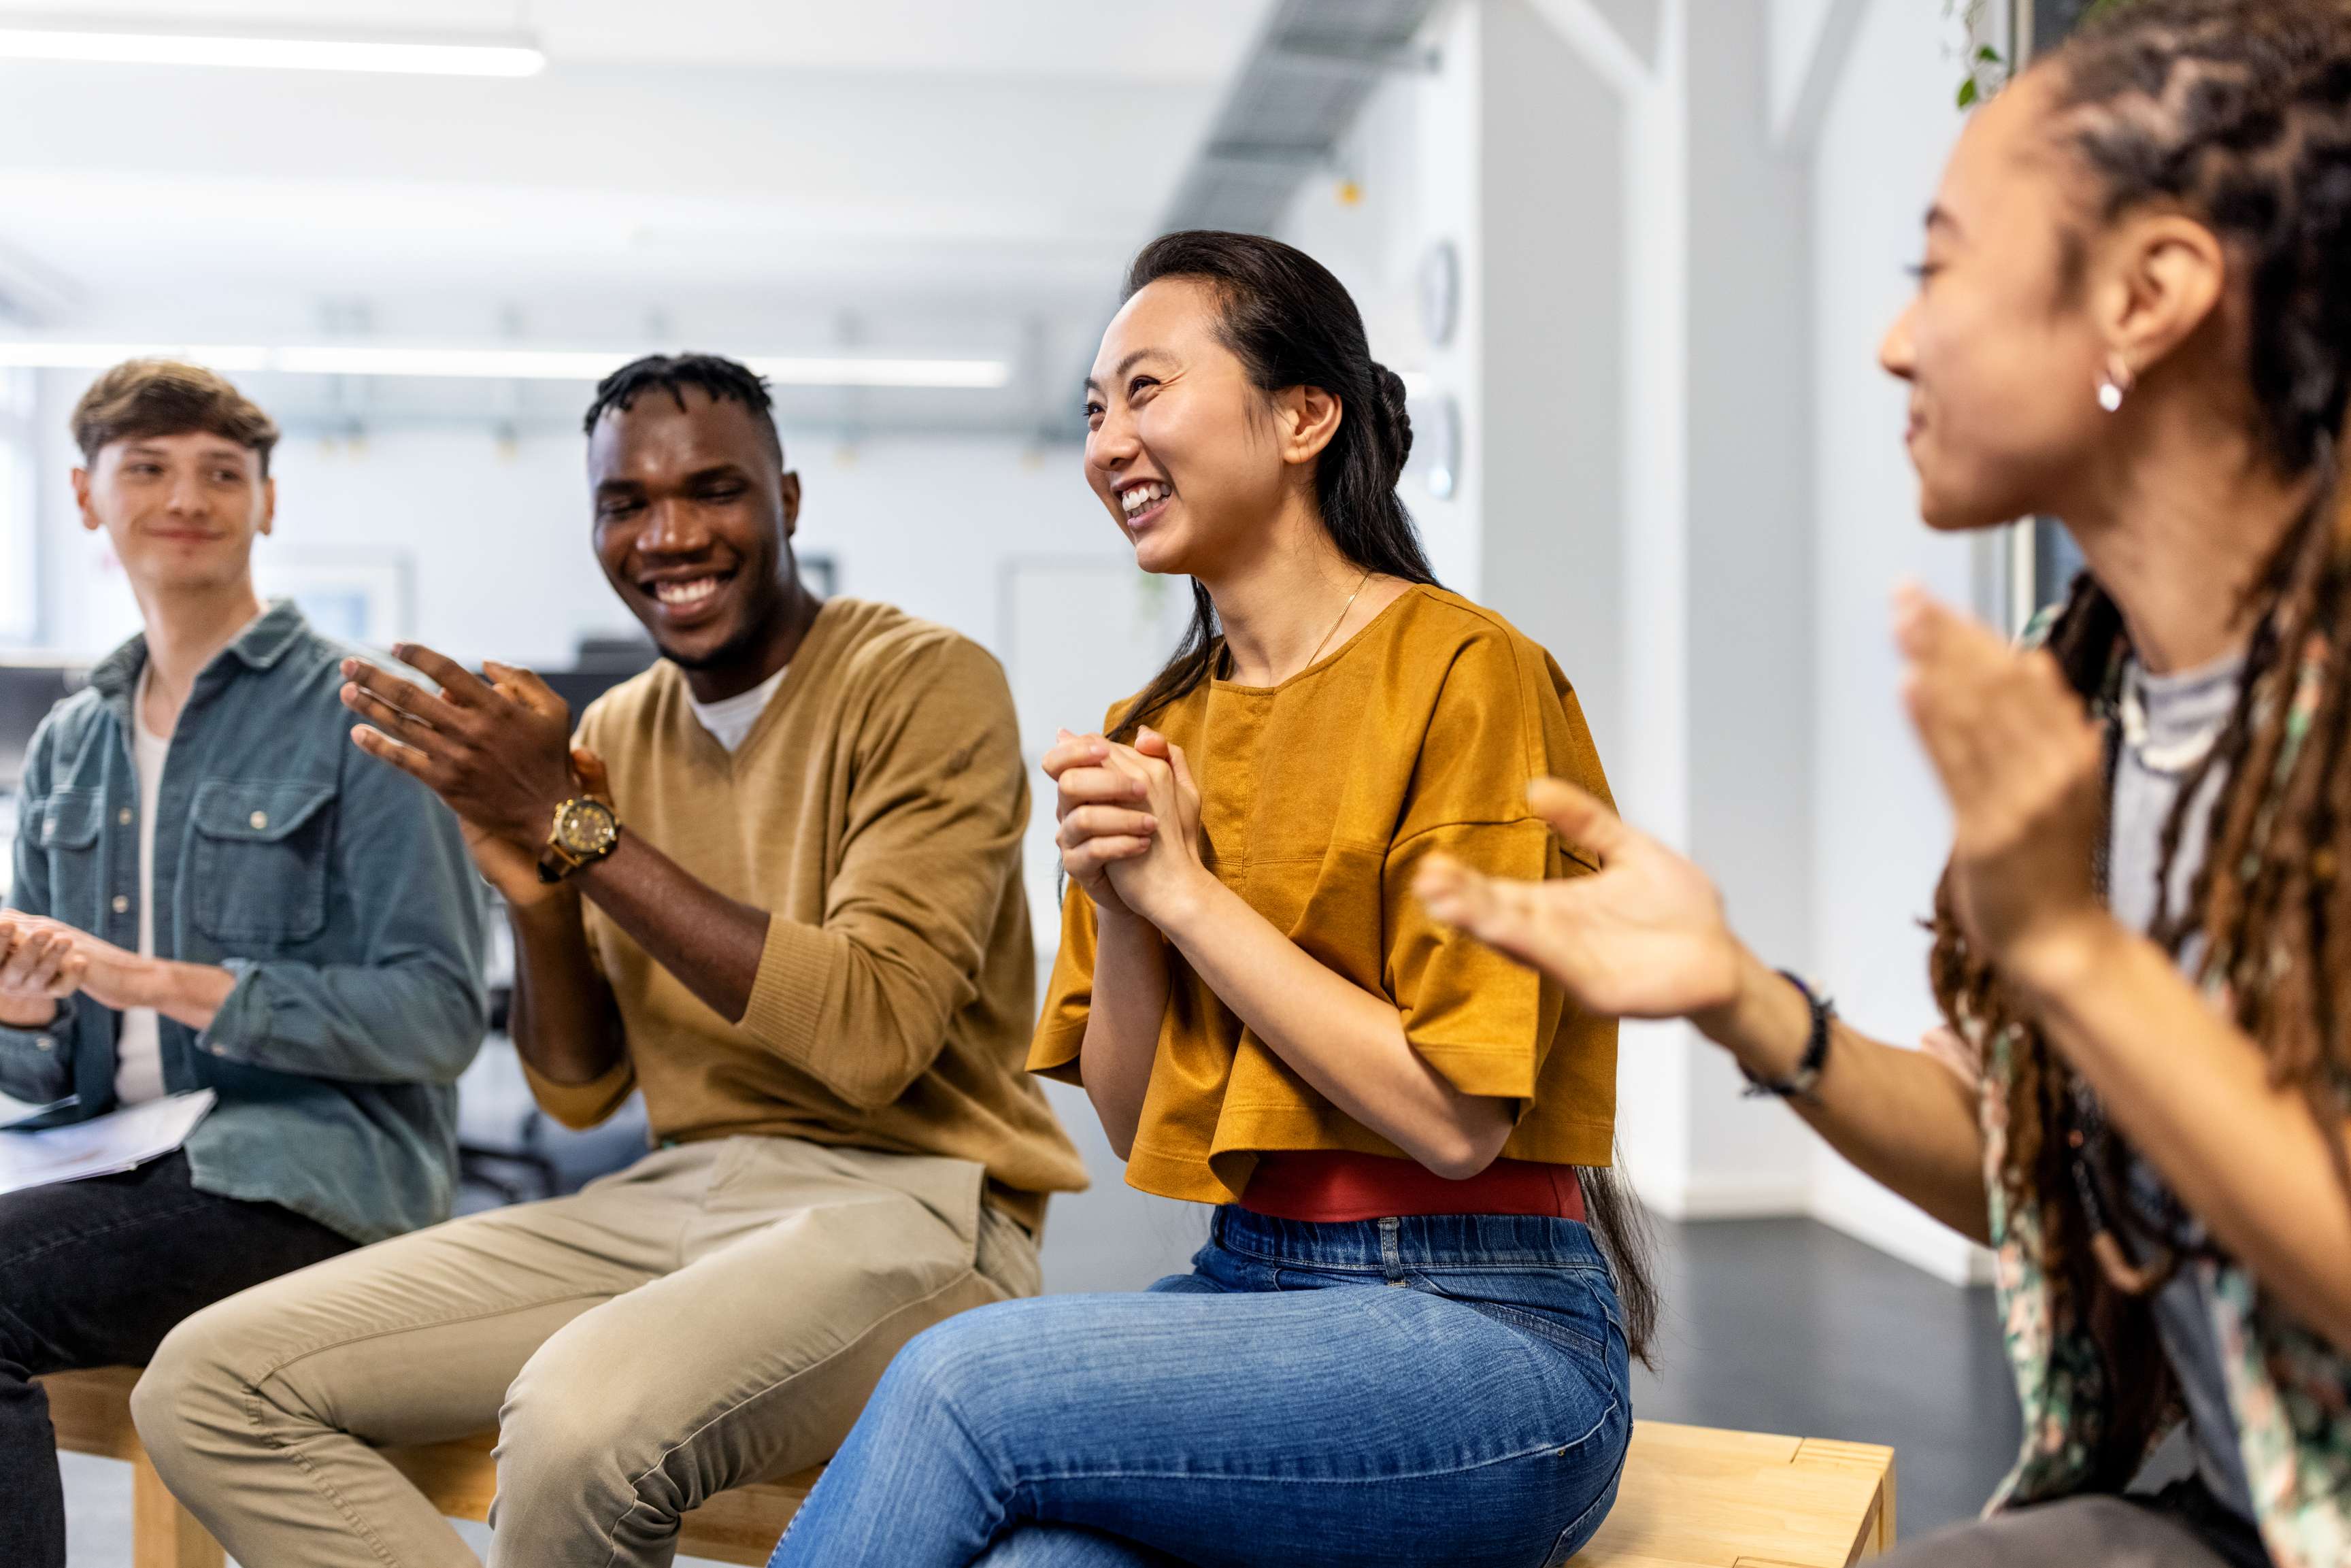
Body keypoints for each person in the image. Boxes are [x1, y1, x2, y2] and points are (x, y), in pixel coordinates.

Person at [1416, 6, 2351, 1567]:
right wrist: (1743, 999)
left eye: (1938, 265)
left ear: (2152, 294)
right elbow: (2027, 1173)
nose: (1894, 340)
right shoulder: (2087, 689)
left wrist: (2068, 948)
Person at [771, 232, 1653, 1568]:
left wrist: (1184, 897)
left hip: (1489, 1329)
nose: (1108, 441)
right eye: (1092, 408)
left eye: (1146, 389)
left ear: (1305, 414)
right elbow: (1139, 1126)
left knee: (960, 1383)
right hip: (1255, 1287)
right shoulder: (1156, 726)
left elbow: (1455, 1116)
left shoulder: (1472, 673)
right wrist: (1127, 911)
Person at [133, 352, 1088, 1567]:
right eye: (625, 503)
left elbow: (871, 1036)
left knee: (581, 1421)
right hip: (676, 1196)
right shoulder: (616, 730)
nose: (670, 533)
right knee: (209, 1382)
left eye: (714, 489)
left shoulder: (921, 680)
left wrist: (579, 829)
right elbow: (578, 1089)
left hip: (917, 1203)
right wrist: (538, 897)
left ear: (787, 500)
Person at [0, 360, 488, 1568]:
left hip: (302, 1179)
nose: (188, 497)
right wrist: (22, 1012)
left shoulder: (366, 712)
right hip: (115, 1165)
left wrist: (159, 980)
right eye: (149, 468)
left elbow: (436, 1016)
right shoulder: (71, 743)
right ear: (83, 495)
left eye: (224, 473)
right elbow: (48, 1058)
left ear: (267, 502)